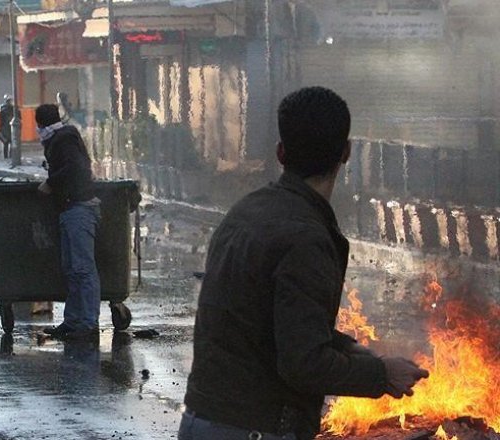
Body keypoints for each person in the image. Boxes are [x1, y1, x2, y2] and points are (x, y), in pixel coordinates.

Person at [179, 87, 429, 440]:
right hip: (255, 428)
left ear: (281, 153)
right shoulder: (305, 238)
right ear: (346, 152)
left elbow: (268, 321)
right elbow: (303, 365)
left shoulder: (245, 211)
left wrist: (347, 347)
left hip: (202, 420)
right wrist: (381, 374)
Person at [37, 104, 101, 340]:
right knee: (73, 269)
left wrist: (51, 183)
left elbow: (76, 167)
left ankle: (87, 324)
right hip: (71, 208)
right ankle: (73, 321)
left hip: (79, 209)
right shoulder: (62, 138)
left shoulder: (64, 139)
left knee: (82, 269)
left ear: (41, 125)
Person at [0, 95, 17, 159]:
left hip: (11, 127)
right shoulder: (4, 109)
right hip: (6, 127)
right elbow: (1, 118)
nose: (10, 102)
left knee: (11, 142)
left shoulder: (14, 108)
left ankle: (10, 156)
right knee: (6, 142)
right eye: (9, 101)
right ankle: (6, 156)